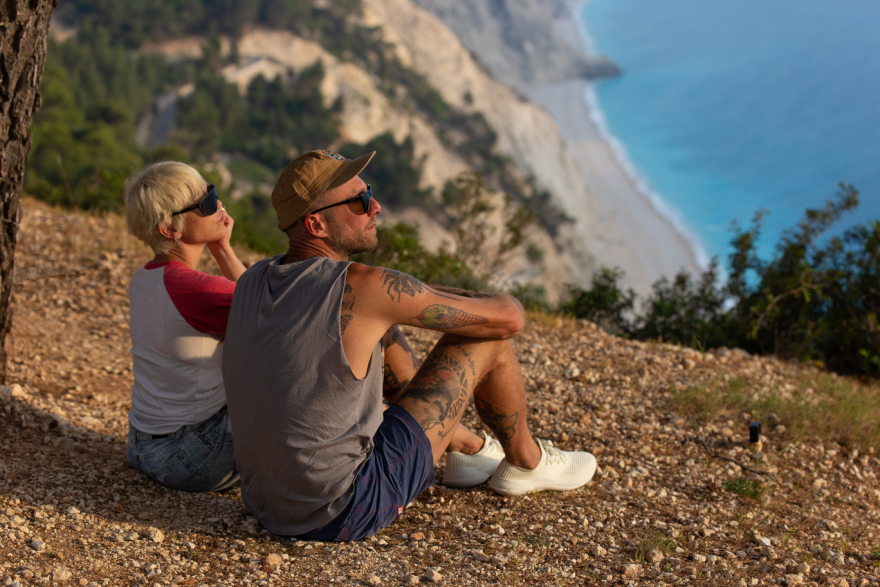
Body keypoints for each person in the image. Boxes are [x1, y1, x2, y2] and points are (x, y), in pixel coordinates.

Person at [222, 150, 598, 540]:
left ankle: (466, 450)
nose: (376, 207)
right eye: (361, 201)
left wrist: (409, 299)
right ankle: (527, 462)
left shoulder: (255, 278)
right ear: (316, 224)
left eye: (369, 193)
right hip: (344, 508)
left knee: (380, 328)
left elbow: (384, 307)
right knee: (489, 338)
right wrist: (425, 297)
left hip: (267, 502)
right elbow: (509, 318)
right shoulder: (363, 286)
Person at [123, 161, 247, 492]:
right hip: (192, 456)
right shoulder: (196, 289)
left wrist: (219, 243)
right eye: (207, 203)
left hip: (143, 445)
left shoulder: (144, 278)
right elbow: (274, 309)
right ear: (169, 229)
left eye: (214, 193)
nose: (219, 206)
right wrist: (224, 250)